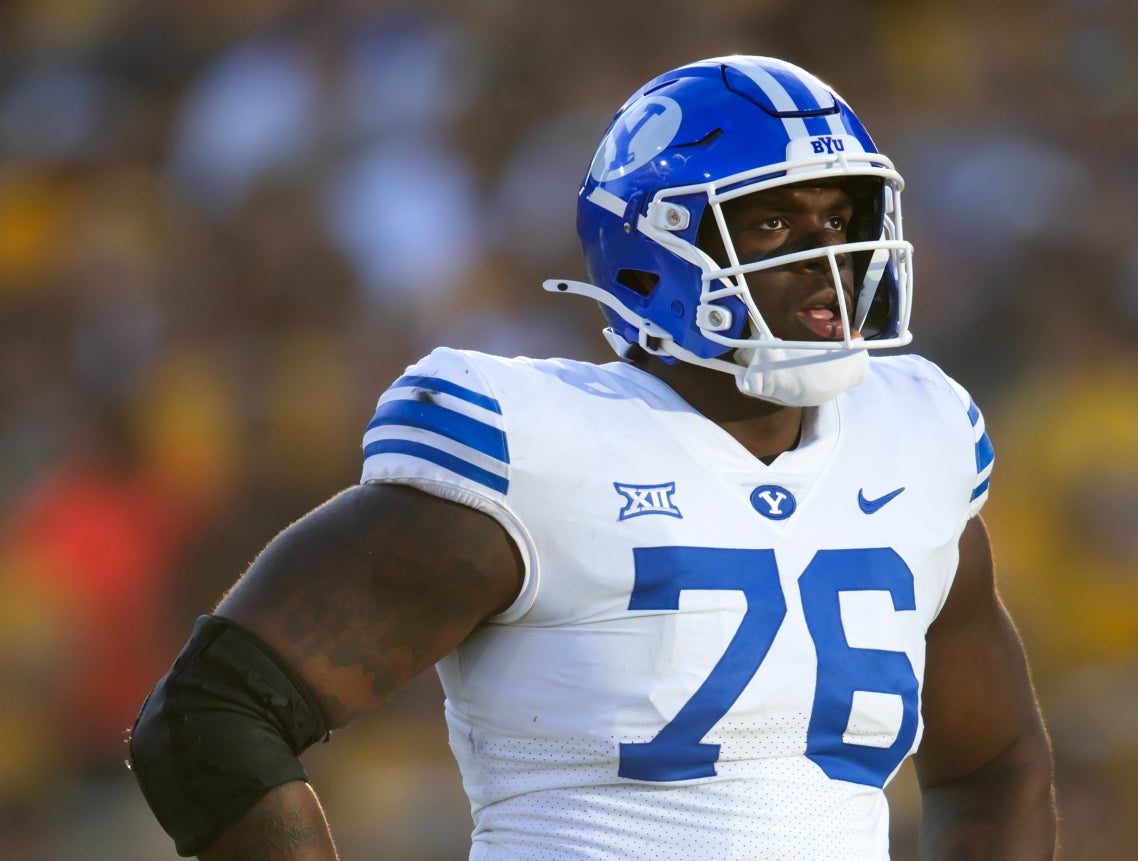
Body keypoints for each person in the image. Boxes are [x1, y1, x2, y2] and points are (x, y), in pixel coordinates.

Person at [128, 55, 1057, 860]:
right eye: (773, 224)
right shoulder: (538, 449)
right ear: (654, 252)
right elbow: (205, 716)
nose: (829, 256)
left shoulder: (913, 436)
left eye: (842, 217)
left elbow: (995, 760)